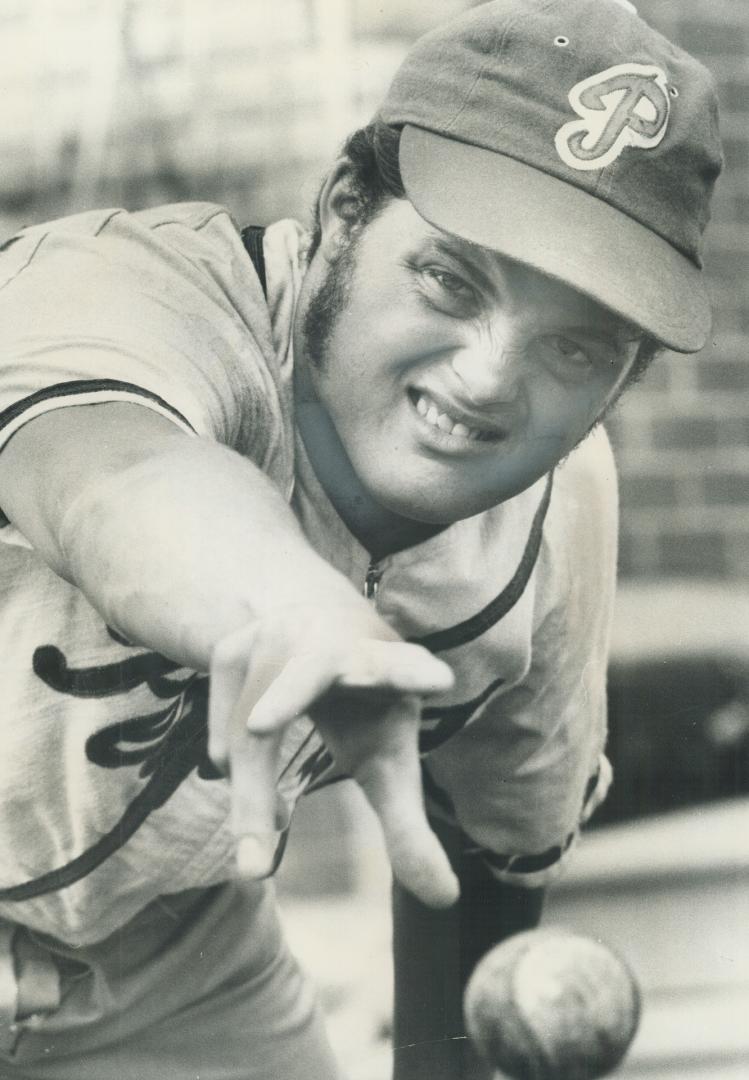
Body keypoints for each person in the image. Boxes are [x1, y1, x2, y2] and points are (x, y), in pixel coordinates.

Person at [0, 0, 722, 1077]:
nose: (486, 378)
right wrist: (293, 606)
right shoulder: (123, 292)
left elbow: (479, 852)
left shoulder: (555, 511)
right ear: (343, 208)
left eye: (575, 349)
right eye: (447, 277)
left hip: (163, 957)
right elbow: (114, 476)